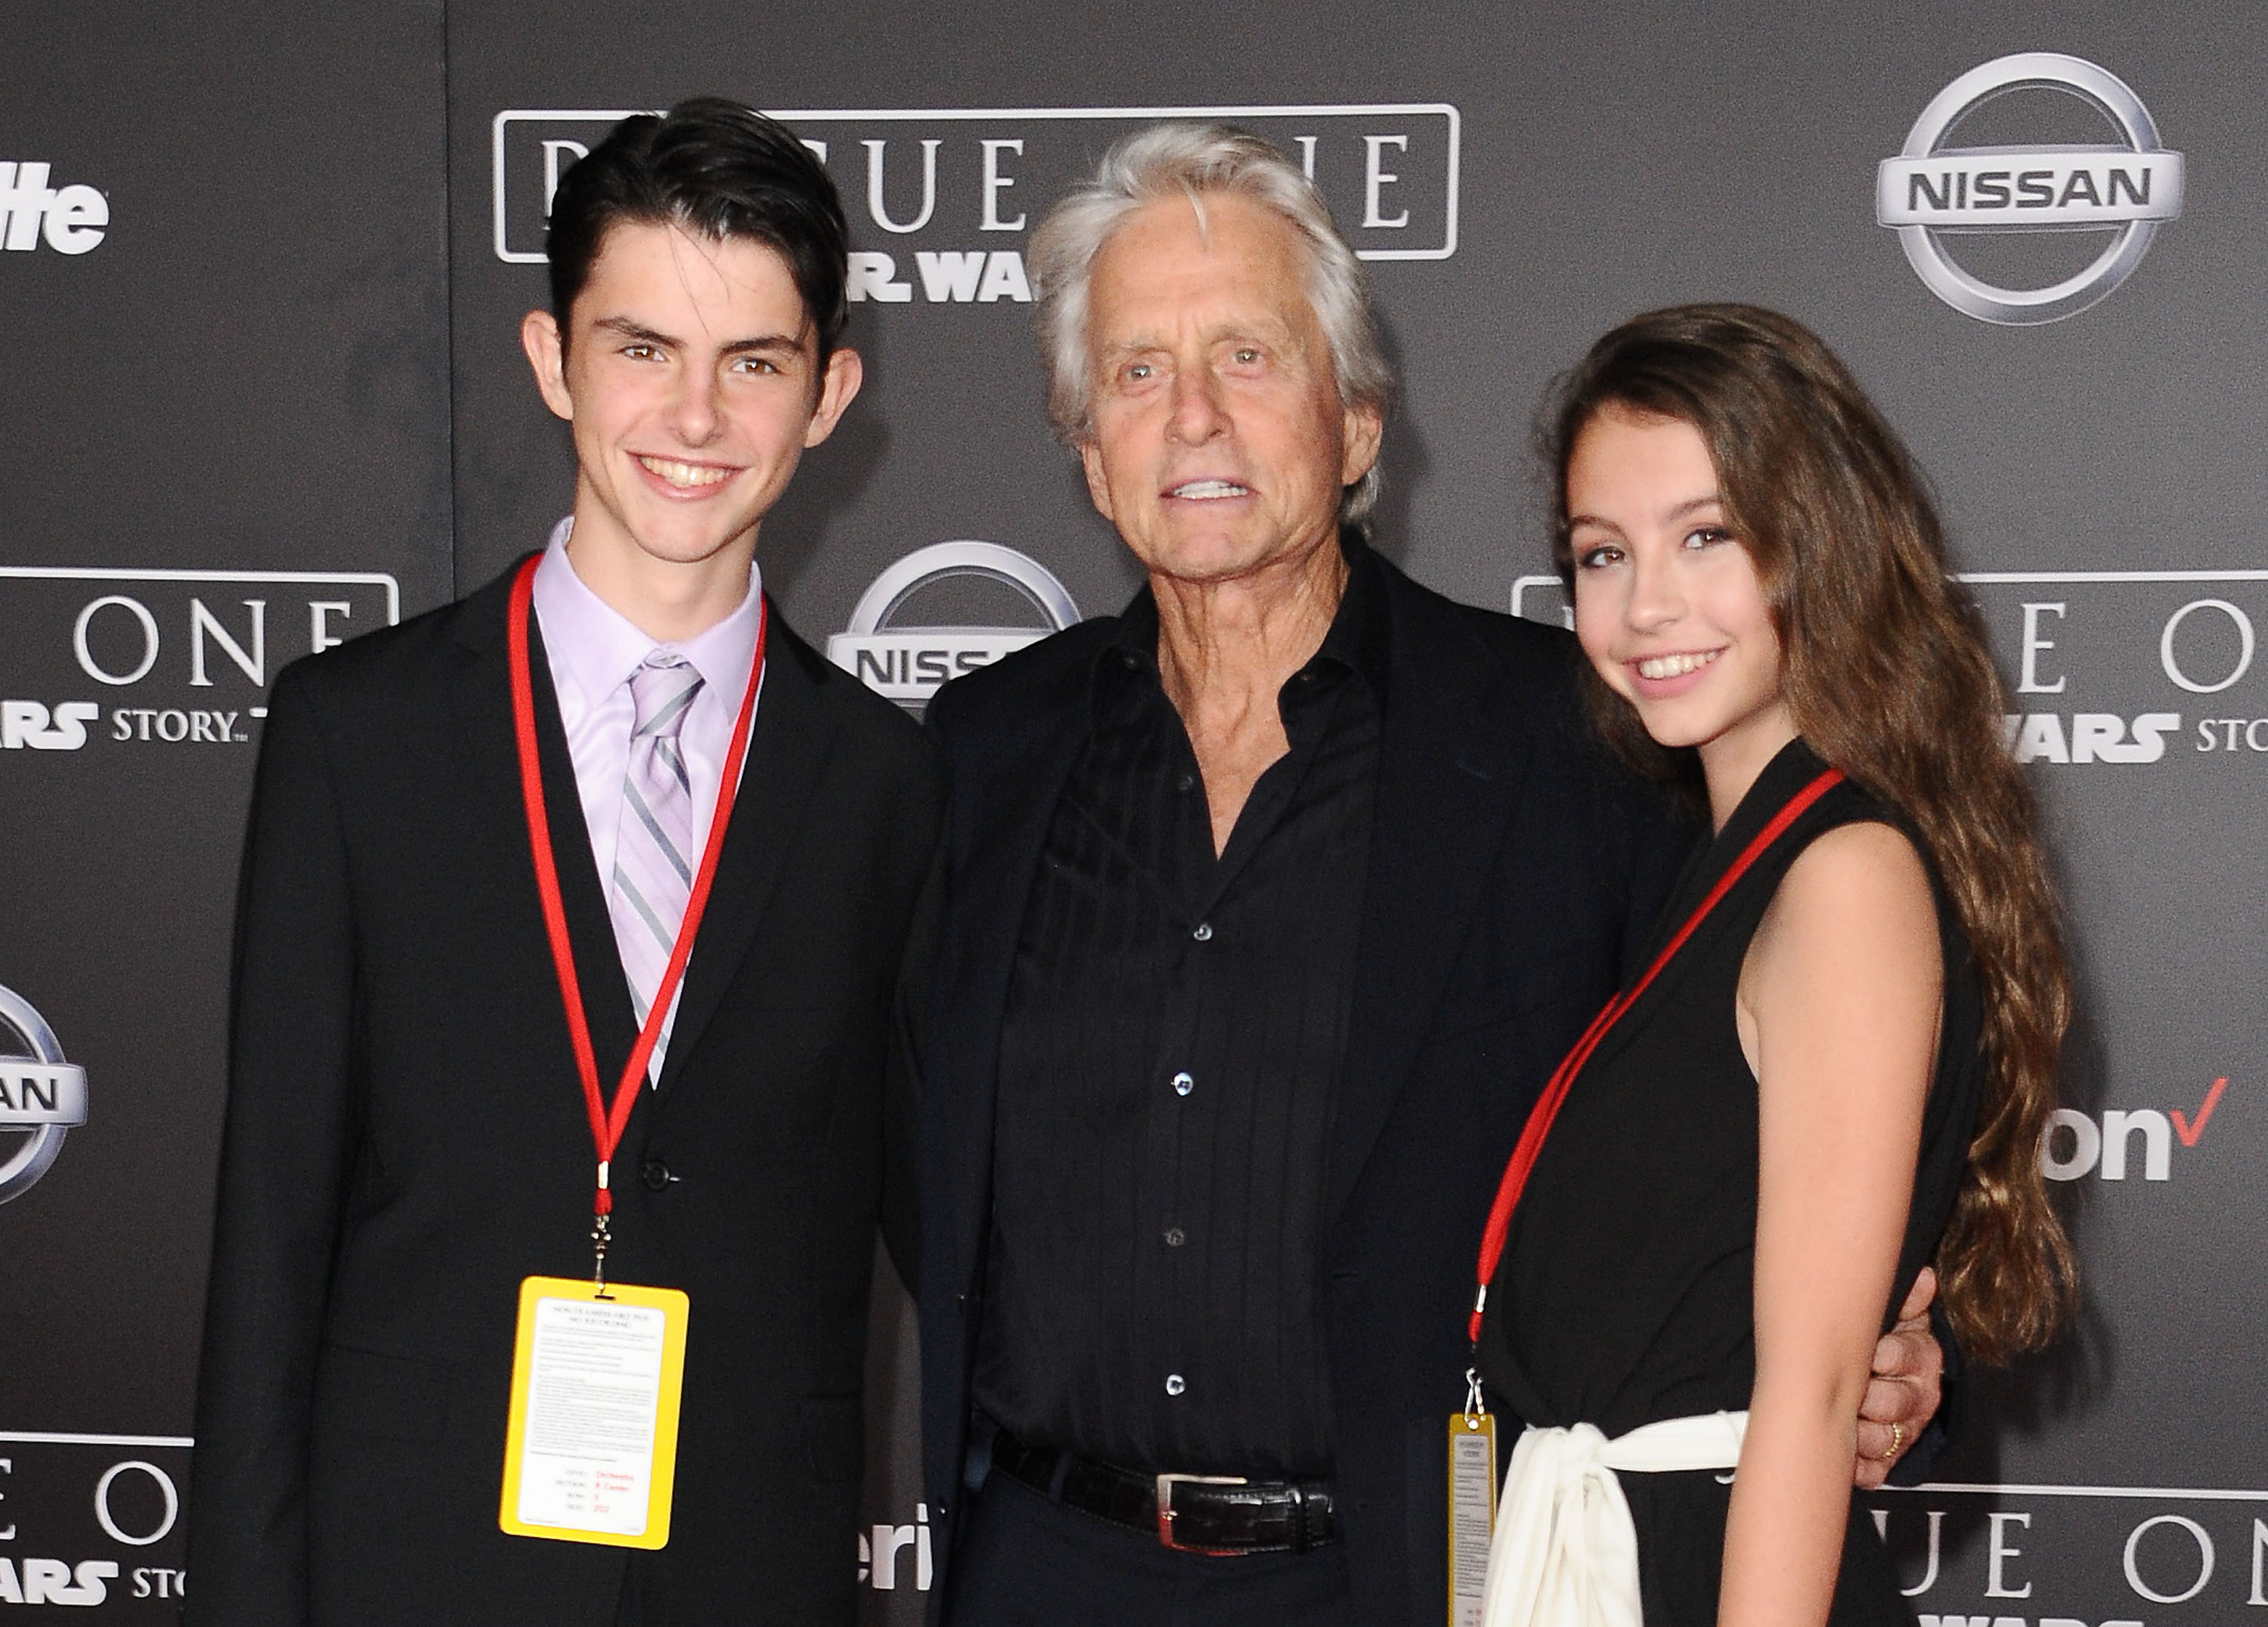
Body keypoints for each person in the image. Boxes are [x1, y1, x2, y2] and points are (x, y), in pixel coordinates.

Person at [916, 126, 1952, 1627]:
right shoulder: (976, 757)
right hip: (1045, 1566)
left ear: (1356, 424)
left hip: (1423, 1568)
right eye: (1138, 371)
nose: (1193, 413)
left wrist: (1902, 1338)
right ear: (1090, 453)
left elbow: (1764, 1094)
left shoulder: (1580, 741)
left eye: (1249, 356)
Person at [186, 100, 941, 1627]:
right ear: (553, 359)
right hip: (408, 1564)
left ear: (829, 392)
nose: (696, 417)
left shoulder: (890, 780)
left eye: (756, 362)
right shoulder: (361, 735)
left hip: (748, 1568)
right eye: (641, 347)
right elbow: (267, 1239)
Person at [1473, 303, 2074, 1625]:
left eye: (1707, 538)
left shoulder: (1844, 876)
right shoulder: (1728, 861)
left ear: (1821, 543)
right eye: (1600, 554)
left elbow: (1802, 1407)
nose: (1647, 605)